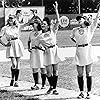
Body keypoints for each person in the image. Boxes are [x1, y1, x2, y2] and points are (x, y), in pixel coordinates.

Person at [70, 6, 100, 99]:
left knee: (88, 73)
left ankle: (89, 92)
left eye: (81, 19)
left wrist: (99, 10)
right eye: (78, 20)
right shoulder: (75, 30)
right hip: (79, 51)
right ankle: (81, 92)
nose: (79, 20)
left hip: (88, 51)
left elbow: (96, 20)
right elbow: (71, 37)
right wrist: (77, 43)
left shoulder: (90, 28)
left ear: (84, 20)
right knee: (80, 74)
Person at [39, 1, 61, 95]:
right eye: (42, 24)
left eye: (44, 24)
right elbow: (40, 45)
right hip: (47, 52)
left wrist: (56, 10)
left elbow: (58, 21)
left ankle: (54, 88)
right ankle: (51, 86)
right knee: (49, 72)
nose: (42, 25)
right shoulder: (40, 36)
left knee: (55, 70)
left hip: (55, 50)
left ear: (48, 25)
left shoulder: (52, 31)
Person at [0, 15, 24, 87]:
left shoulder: (17, 26)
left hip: (18, 43)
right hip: (10, 45)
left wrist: (33, 17)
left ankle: (16, 81)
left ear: (14, 19)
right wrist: (4, 44)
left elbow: (27, 23)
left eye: (12, 18)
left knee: (18, 63)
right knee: (14, 64)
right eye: (9, 18)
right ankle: (12, 78)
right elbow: (0, 37)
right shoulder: (5, 28)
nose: (10, 19)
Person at [28, 20, 46, 90]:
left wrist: (43, 47)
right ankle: (36, 84)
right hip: (33, 51)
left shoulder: (42, 32)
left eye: (34, 24)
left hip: (40, 51)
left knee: (42, 68)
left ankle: (43, 84)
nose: (33, 25)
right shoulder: (31, 33)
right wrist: (29, 47)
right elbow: (29, 40)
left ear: (38, 24)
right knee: (34, 68)